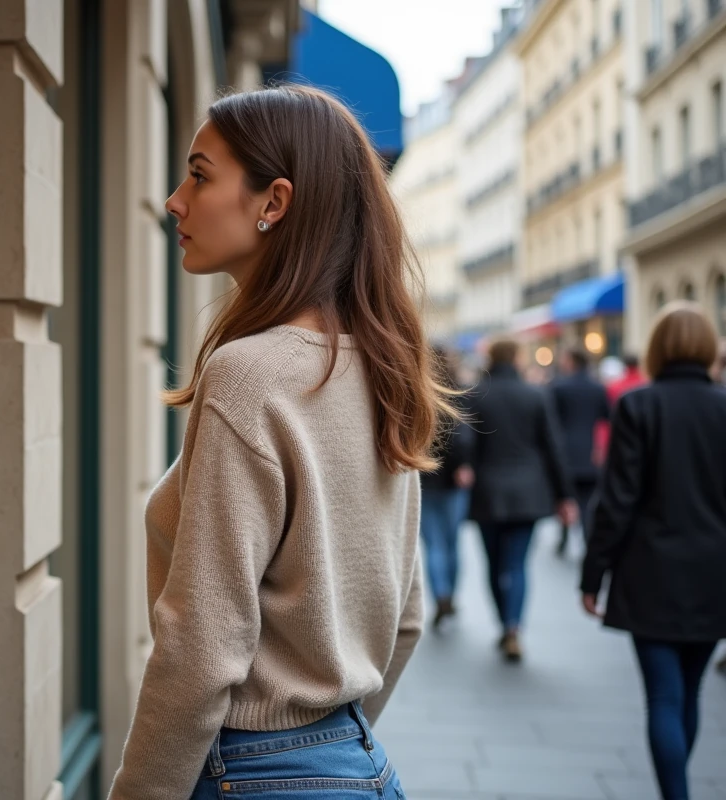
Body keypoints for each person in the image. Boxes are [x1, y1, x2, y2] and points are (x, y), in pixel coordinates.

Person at [108, 85, 451, 800]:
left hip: (255, 777)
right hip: (361, 766)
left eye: (199, 175)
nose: (175, 200)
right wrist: (326, 749)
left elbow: (200, 649)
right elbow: (406, 618)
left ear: (274, 202)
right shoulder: (384, 369)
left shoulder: (249, 376)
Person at [581, 303, 726, 800]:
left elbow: (616, 501)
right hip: (715, 573)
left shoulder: (639, 406)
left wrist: (592, 574)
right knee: (692, 692)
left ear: (659, 348)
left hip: (652, 572)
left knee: (663, 696)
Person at [467, 339, 578, 663]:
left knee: (493, 562)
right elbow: (553, 448)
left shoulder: (476, 396)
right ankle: (514, 627)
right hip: (529, 491)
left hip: (488, 491)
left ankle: (503, 621)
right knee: (517, 563)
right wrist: (565, 495)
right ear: (517, 358)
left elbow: (464, 443)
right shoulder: (536, 394)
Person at [420, 345, 474, 629]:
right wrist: (464, 464)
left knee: (433, 545)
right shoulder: (460, 392)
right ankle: (450, 595)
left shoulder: (414, 390)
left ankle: (440, 594)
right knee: (453, 543)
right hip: (454, 480)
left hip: (424, 480)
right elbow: (466, 435)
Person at [549, 348, 611, 557]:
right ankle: (586, 538)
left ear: (572, 361)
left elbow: (551, 422)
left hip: (564, 453)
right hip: (590, 452)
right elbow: (606, 417)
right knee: (586, 502)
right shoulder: (598, 388)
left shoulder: (559, 387)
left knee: (565, 497)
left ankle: (565, 535)